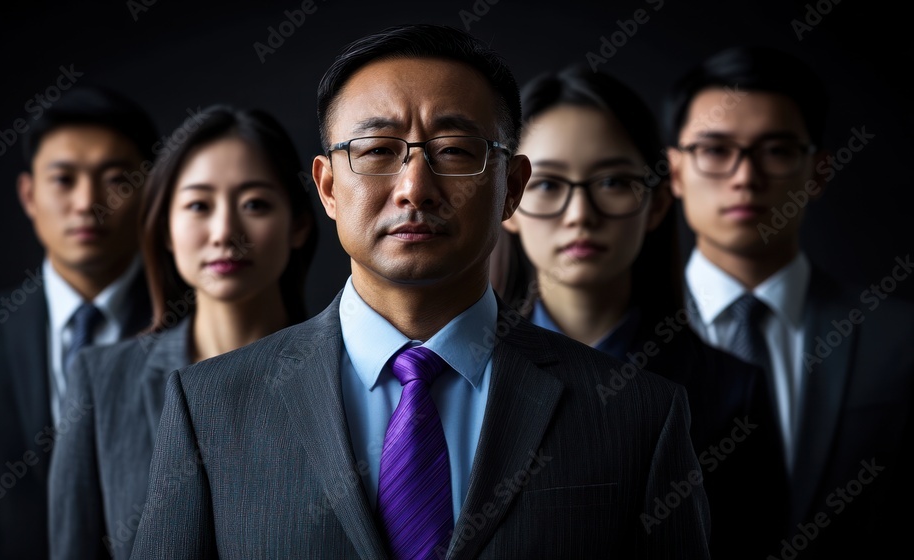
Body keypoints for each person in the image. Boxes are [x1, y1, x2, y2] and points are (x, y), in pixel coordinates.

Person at [131, 24, 709, 559]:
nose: (415, 187)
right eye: (378, 151)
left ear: (512, 188)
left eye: (454, 151)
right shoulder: (211, 406)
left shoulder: (637, 413)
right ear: (327, 187)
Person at [494, 66, 784, 558]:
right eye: (547, 184)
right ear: (509, 199)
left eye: (612, 181)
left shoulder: (732, 392)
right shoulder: (460, 373)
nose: (580, 215)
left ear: (658, 202)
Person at [666, 46, 914, 557]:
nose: (744, 177)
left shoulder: (899, 339)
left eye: (776, 151)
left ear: (818, 171)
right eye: (715, 150)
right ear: (675, 171)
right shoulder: (619, 336)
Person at [47, 105, 317, 560]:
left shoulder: (344, 372)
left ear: (299, 224)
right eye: (198, 205)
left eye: (255, 204)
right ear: (166, 230)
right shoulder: (101, 381)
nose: (225, 232)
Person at [0, 87, 158, 560]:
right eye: (63, 179)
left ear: (150, 189)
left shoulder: (197, 333)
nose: (87, 202)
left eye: (116, 179)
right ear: (29, 195)